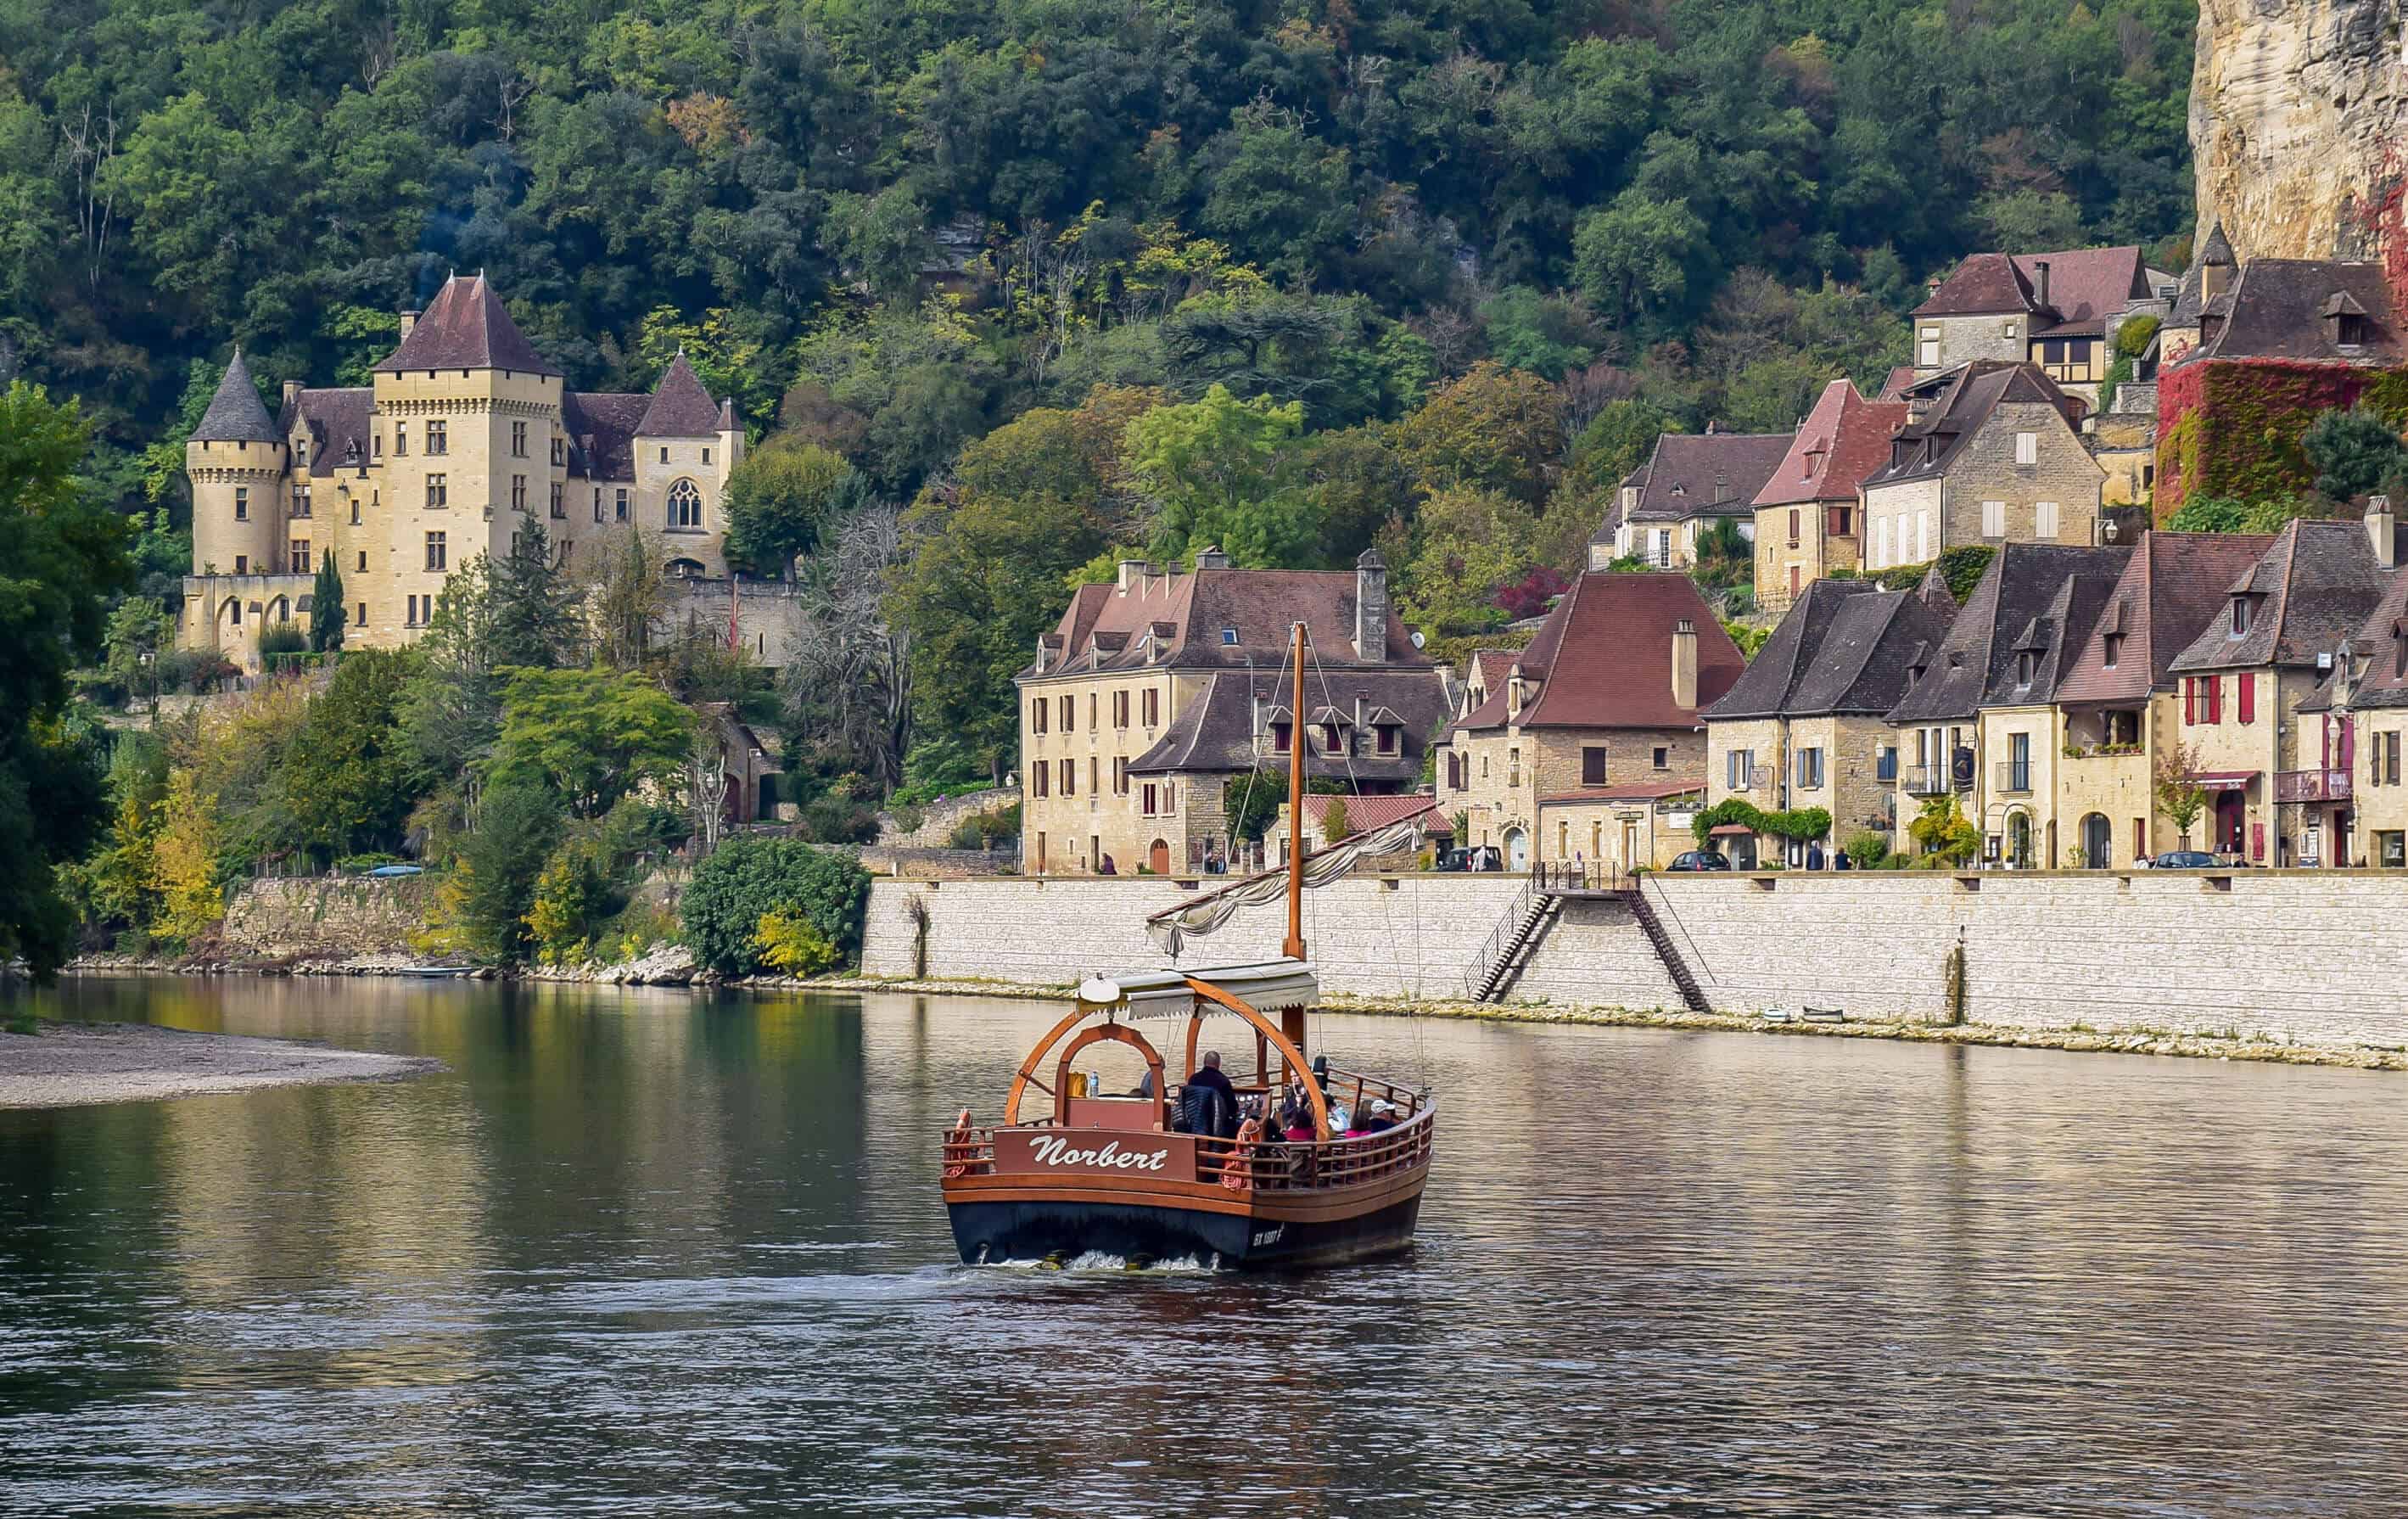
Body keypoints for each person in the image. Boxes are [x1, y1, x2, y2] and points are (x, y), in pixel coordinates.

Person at [1182, 1050, 1238, 1139]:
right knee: (1239, 1124)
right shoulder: (1223, 1081)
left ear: (1204, 1063)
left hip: (1193, 1125)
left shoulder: (1193, 1079)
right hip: (1217, 1128)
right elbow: (1232, 1109)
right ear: (1219, 1064)